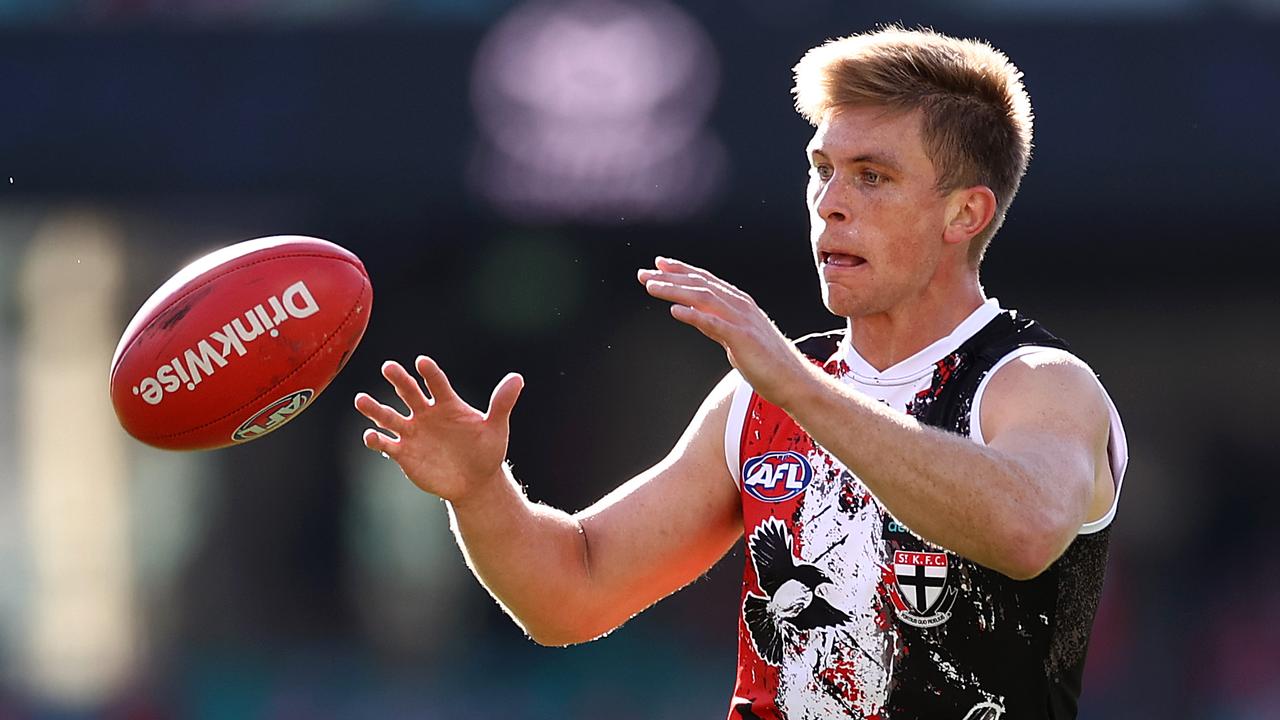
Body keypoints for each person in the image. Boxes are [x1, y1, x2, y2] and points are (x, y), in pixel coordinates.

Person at [353, 25, 1127, 720]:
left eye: (873, 176)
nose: (830, 203)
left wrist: (798, 385)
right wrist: (481, 492)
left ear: (966, 214)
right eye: (821, 168)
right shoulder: (761, 395)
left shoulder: (1036, 382)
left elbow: (1025, 530)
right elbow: (571, 595)